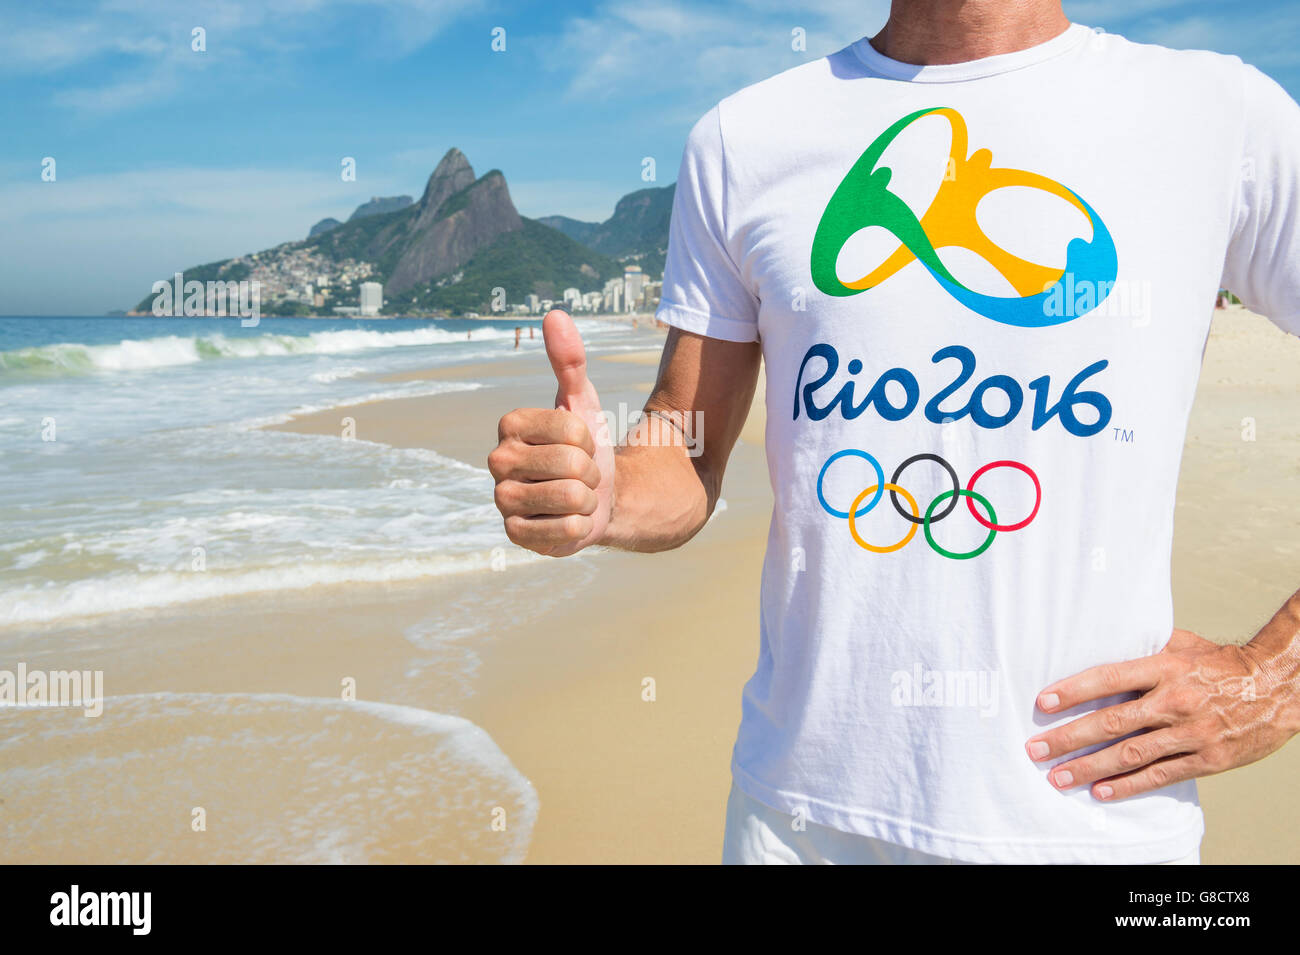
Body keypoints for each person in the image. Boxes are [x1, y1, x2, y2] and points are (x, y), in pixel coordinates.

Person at [488, 0, 1300, 864]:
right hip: (795, 821)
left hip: (1086, 823)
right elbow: (687, 447)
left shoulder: (1219, 116)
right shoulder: (743, 139)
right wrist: (609, 493)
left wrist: (1275, 679)